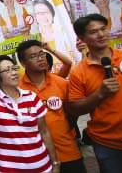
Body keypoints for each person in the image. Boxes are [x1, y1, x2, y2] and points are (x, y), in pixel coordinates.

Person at [0, 21, 60, 173]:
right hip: (10, 169)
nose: (13, 72)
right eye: (6, 70)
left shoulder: (31, 97)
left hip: (42, 166)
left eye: (14, 68)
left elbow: (44, 131)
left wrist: (55, 163)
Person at [67, 13, 122, 173]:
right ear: (82, 37)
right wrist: (99, 94)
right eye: (94, 32)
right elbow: (75, 108)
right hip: (109, 144)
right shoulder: (78, 72)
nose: (101, 34)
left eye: (103, 29)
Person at [16, 40, 86, 172]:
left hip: (67, 151)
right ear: (23, 63)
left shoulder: (61, 83)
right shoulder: (17, 89)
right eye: (33, 56)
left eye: (41, 54)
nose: (40, 58)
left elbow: (74, 111)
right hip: (36, 157)